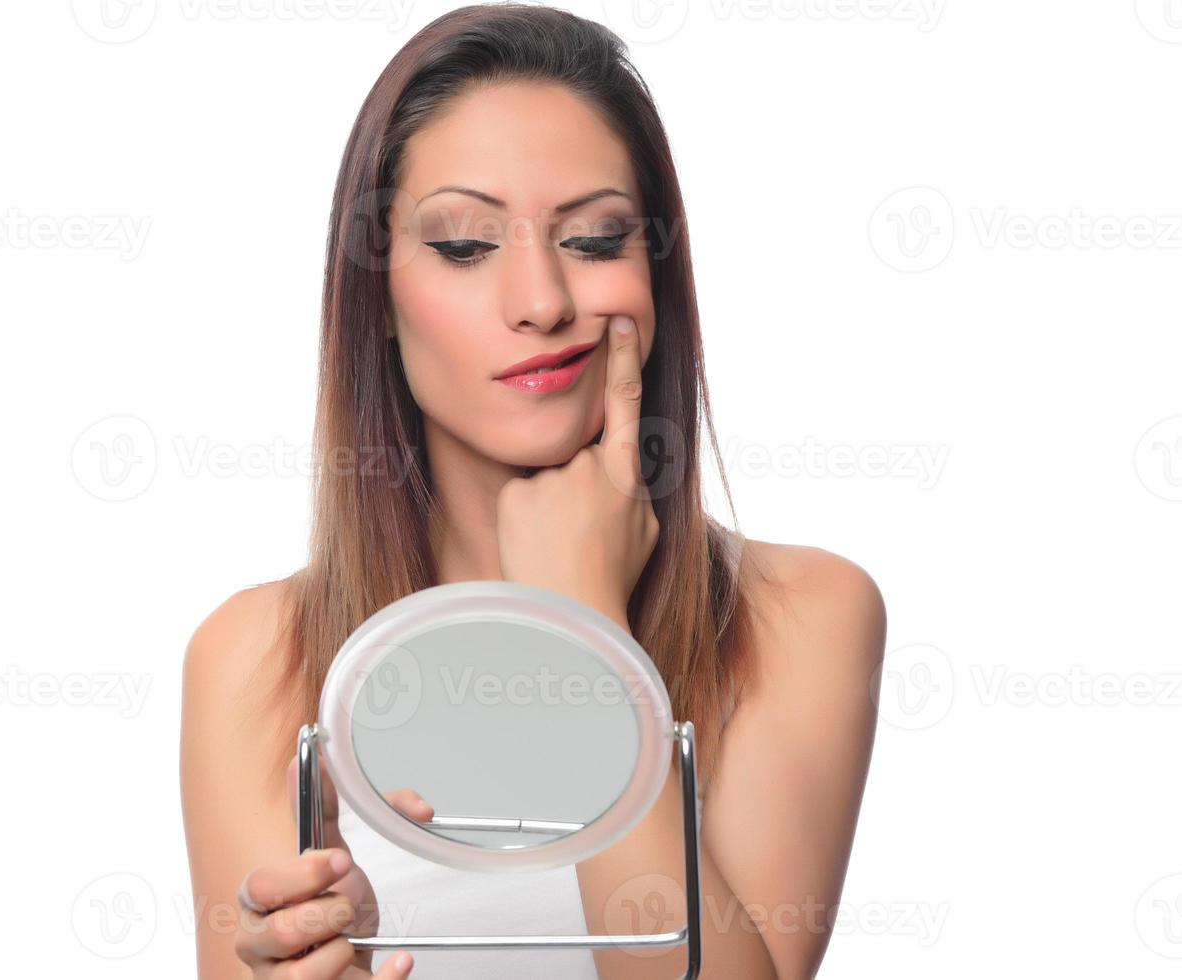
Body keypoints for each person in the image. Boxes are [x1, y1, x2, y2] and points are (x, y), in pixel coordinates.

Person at [181, 4, 886, 977]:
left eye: (596, 240)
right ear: (377, 300)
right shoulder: (257, 655)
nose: (543, 302)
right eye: (465, 247)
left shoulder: (797, 615)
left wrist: (582, 626)